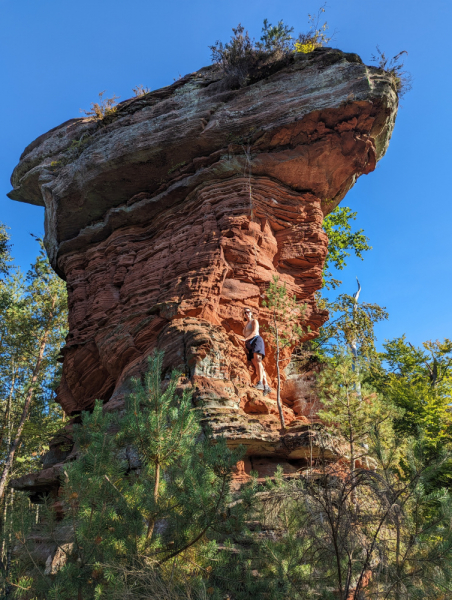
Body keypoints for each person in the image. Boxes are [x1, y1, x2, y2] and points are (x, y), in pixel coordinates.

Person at [243, 307, 271, 396]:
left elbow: (254, 332)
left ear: (251, 313)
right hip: (249, 344)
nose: (246, 313)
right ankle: (266, 385)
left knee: (258, 360)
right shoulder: (245, 327)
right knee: (255, 362)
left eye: (248, 312)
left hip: (256, 340)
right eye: (245, 313)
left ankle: (260, 383)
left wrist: (245, 339)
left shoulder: (254, 321)